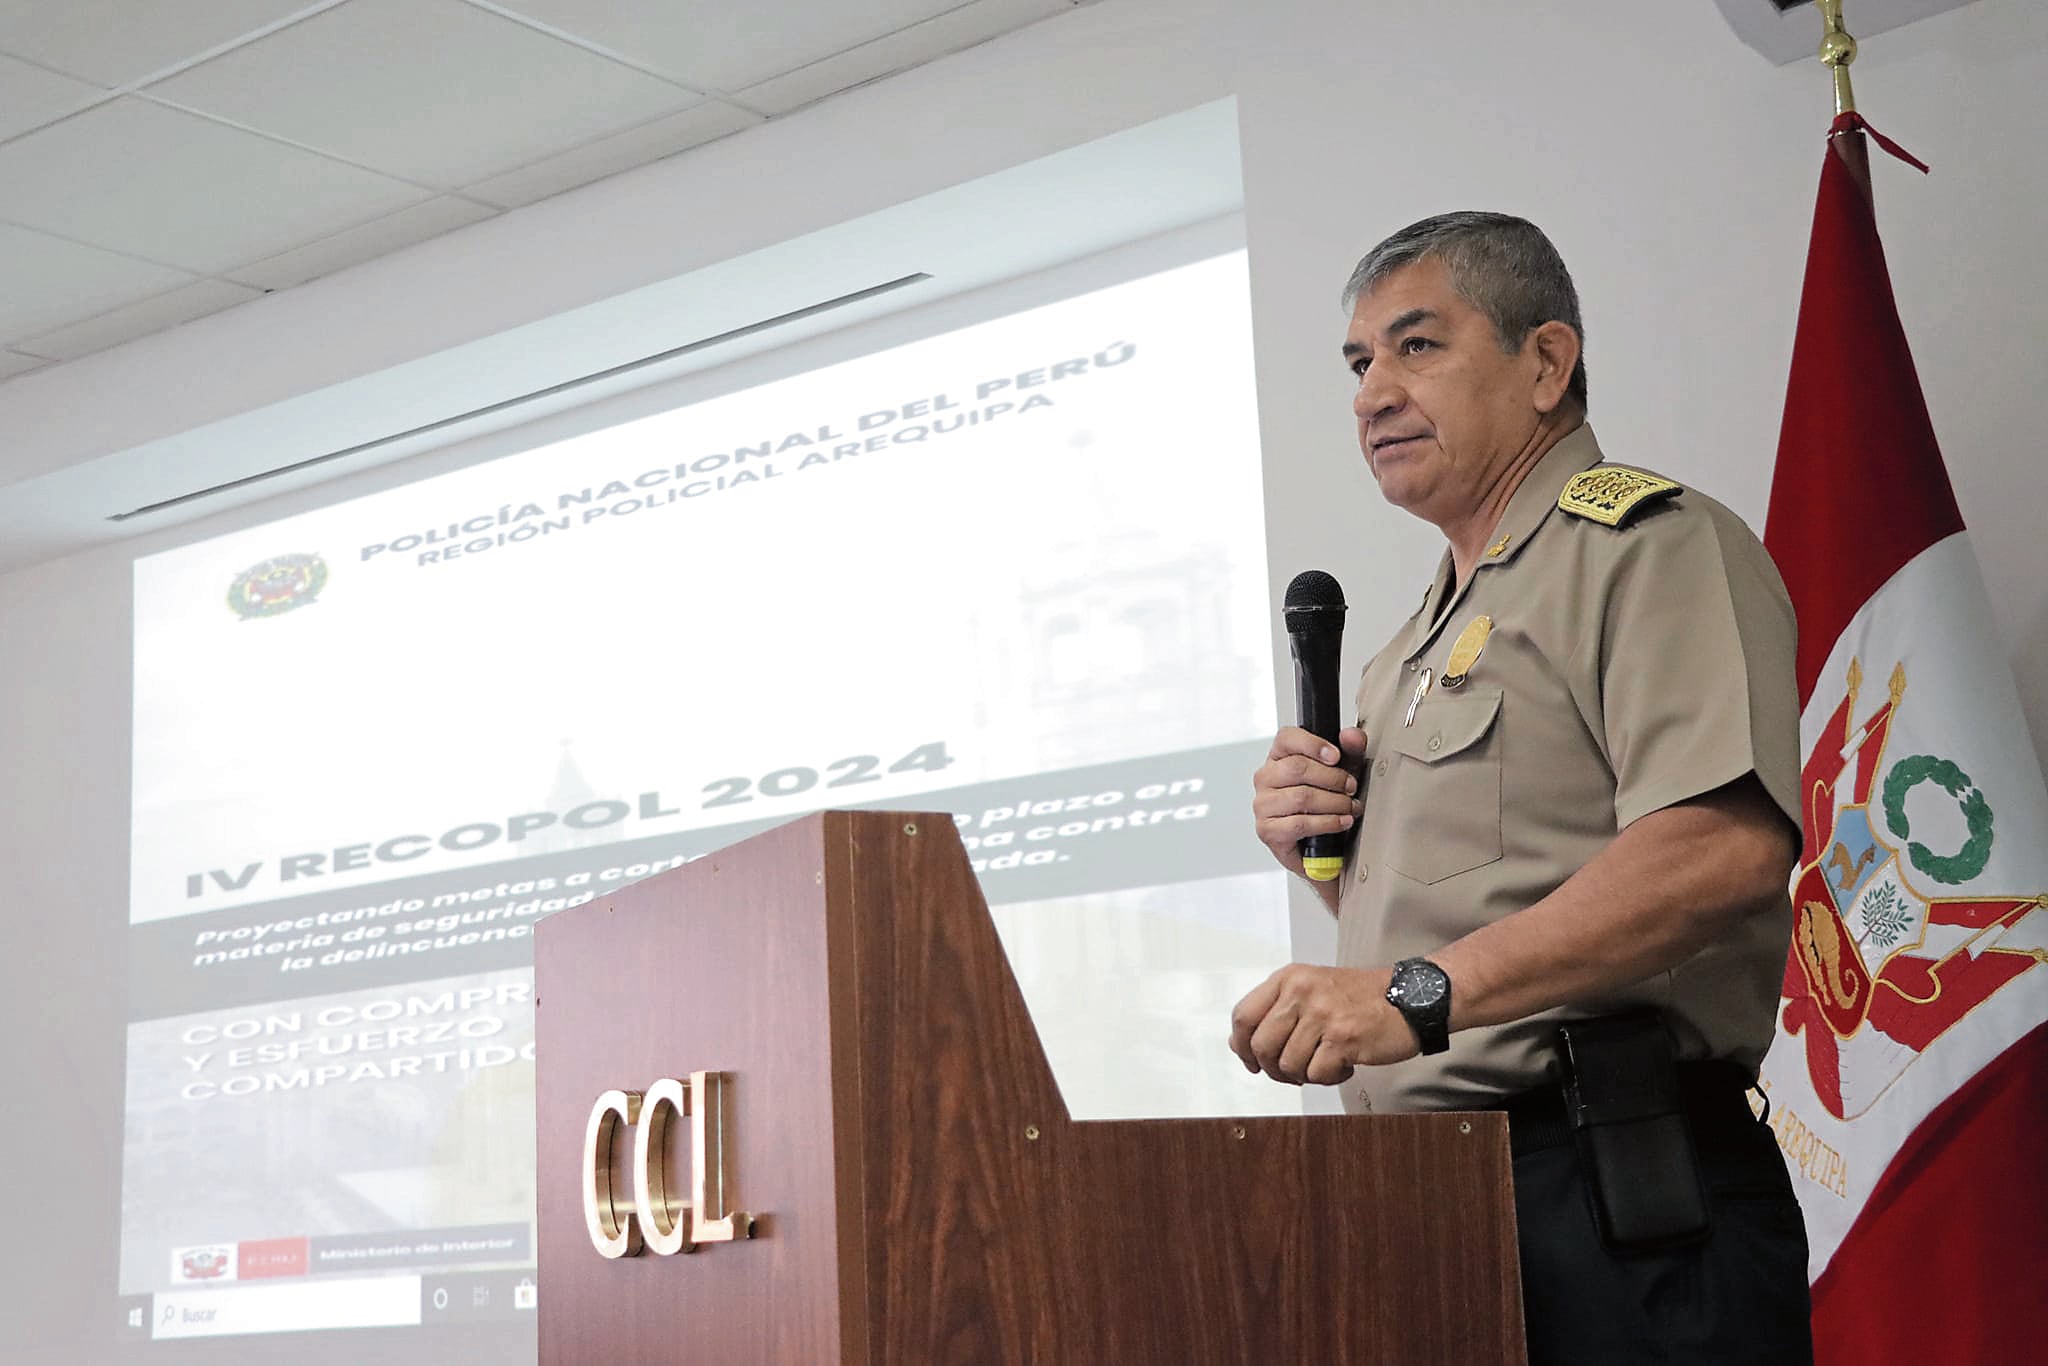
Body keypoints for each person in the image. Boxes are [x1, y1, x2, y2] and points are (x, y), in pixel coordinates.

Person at [1230, 212, 1813, 1364]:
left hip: (1614, 1193)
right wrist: (1324, 865)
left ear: (1544, 362)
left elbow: (1719, 847)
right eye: (1357, 363)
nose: (1369, 393)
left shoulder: (1647, 544)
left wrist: (1409, 990)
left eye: (1415, 347)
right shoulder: (1408, 644)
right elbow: (1465, 926)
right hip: (1441, 1202)